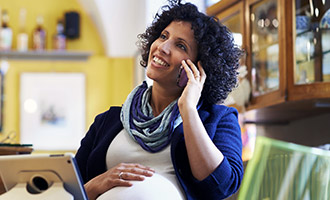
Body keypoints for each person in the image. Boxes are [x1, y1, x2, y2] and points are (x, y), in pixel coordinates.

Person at [75, 1, 244, 199]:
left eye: (180, 45)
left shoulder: (218, 118)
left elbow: (222, 186)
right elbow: (67, 191)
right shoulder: (107, 121)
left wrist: (188, 109)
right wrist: (97, 184)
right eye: (163, 36)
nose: (162, 47)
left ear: (201, 68)